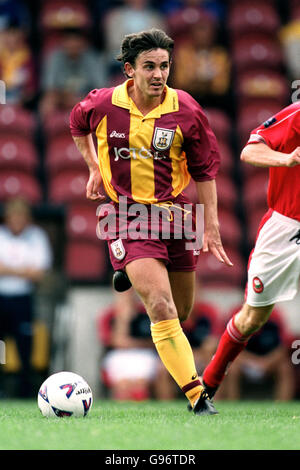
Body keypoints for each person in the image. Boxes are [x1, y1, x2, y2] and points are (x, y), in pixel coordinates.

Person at [70, 28, 232, 415]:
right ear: (130, 70)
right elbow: (77, 123)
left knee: (181, 311)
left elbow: (205, 169)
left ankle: (131, 269)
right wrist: (94, 167)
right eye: (149, 67)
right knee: (161, 307)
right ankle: (197, 397)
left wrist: (210, 225)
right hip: (127, 213)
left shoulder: (186, 109)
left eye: (164, 66)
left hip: (176, 216)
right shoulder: (104, 103)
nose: (159, 74)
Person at [202, 101, 300, 407]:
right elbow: (249, 151)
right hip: (286, 228)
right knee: (253, 318)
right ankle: (207, 386)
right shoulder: (296, 115)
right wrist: (287, 159)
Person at [0, 197, 52, 397]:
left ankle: (24, 388)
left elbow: (39, 272)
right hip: (2, 297)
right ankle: (2, 384)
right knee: (1, 344)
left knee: (25, 343)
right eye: (14, 216)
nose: (18, 220)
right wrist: (24, 270)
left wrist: (8, 270)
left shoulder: (37, 236)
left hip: (23, 298)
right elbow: (30, 271)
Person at [218, 307, 295, 401]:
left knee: (285, 367)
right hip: (244, 363)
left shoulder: (275, 316)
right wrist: (251, 362)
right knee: (231, 368)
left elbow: (283, 346)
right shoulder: (237, 315)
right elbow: (228, 346)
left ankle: (283, 407)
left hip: (268, 363)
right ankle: (232, 405)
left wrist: (267, 362)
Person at [99, 289, 160, 401]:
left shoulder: (146, 313)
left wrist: (131, 343)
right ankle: (119, 415)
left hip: (144, 355)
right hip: (118, 355)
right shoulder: (108, 315)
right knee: (122, 384)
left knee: (140, 382)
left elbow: (154, 341)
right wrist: (123, 319)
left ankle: (143, 414)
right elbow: (117, 342)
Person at [40, 27, 107, 118]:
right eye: (69, 41)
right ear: (63, 43)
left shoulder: (93, 58)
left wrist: (81, 100)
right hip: (62, 98)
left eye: (76, 41)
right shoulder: (55, 57)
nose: (72, 44)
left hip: (86, 99)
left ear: (83, 43)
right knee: (47, 102)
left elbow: (101, 89)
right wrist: (66, 98)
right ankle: (44, 131)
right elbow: (49, 88)